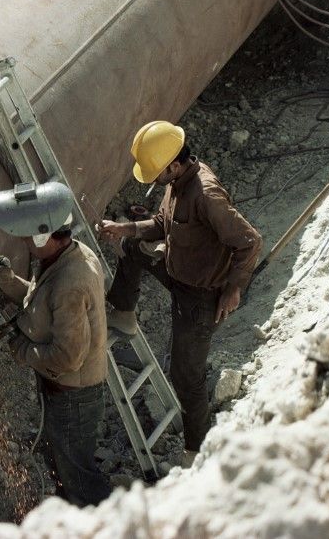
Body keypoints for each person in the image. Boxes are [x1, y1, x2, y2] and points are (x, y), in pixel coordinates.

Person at [98, 120, 262, 466]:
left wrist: (233, 289)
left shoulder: (206, 194)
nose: (154, 180)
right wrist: (124, 228)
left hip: (201, 298)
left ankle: (196, 450)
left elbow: (250, 242)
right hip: (178, 271)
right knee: (132, 247)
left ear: (173, 165)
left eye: (156, 173)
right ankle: (123, 313)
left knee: (187, 376)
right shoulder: (178, 182)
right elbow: (160, 224)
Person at [0, 181, 113, 506]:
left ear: (43, 236)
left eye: (28, 235)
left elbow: (67, 357)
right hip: (68, 392)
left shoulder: (71, 283)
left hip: (72, 398)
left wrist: (22, 350)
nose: (24, 241)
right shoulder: (68, 255)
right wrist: (9, 282)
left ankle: (104, 521)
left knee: (79, 477)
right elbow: (43, 303)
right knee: (66, 464)